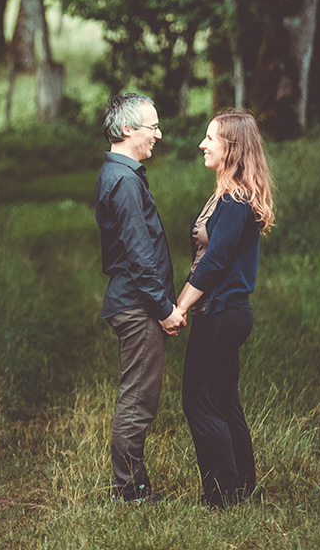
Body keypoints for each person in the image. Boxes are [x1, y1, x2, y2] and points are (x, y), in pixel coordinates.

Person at [175, 110, 275, 508]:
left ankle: (220, 493)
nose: (203, 143)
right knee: (222, 397)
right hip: (225, 312)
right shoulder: (229, 193)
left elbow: (214, 261)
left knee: (198, 398)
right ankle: (242, 486)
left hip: (221, 313)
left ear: (231, 147)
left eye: (210, 138)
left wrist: (180, 306)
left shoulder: (234, 199)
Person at [95, 92, 185, 503]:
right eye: (153, 127)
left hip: (132, 301)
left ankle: (132, 487)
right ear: (128, 129)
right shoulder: (124, 180)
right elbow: (139, 255)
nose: (158, 134)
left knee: (138, 398)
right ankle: (130, 492)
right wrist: (164, 309)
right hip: (137, 305)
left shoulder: (120, 174)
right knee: (138, 401)